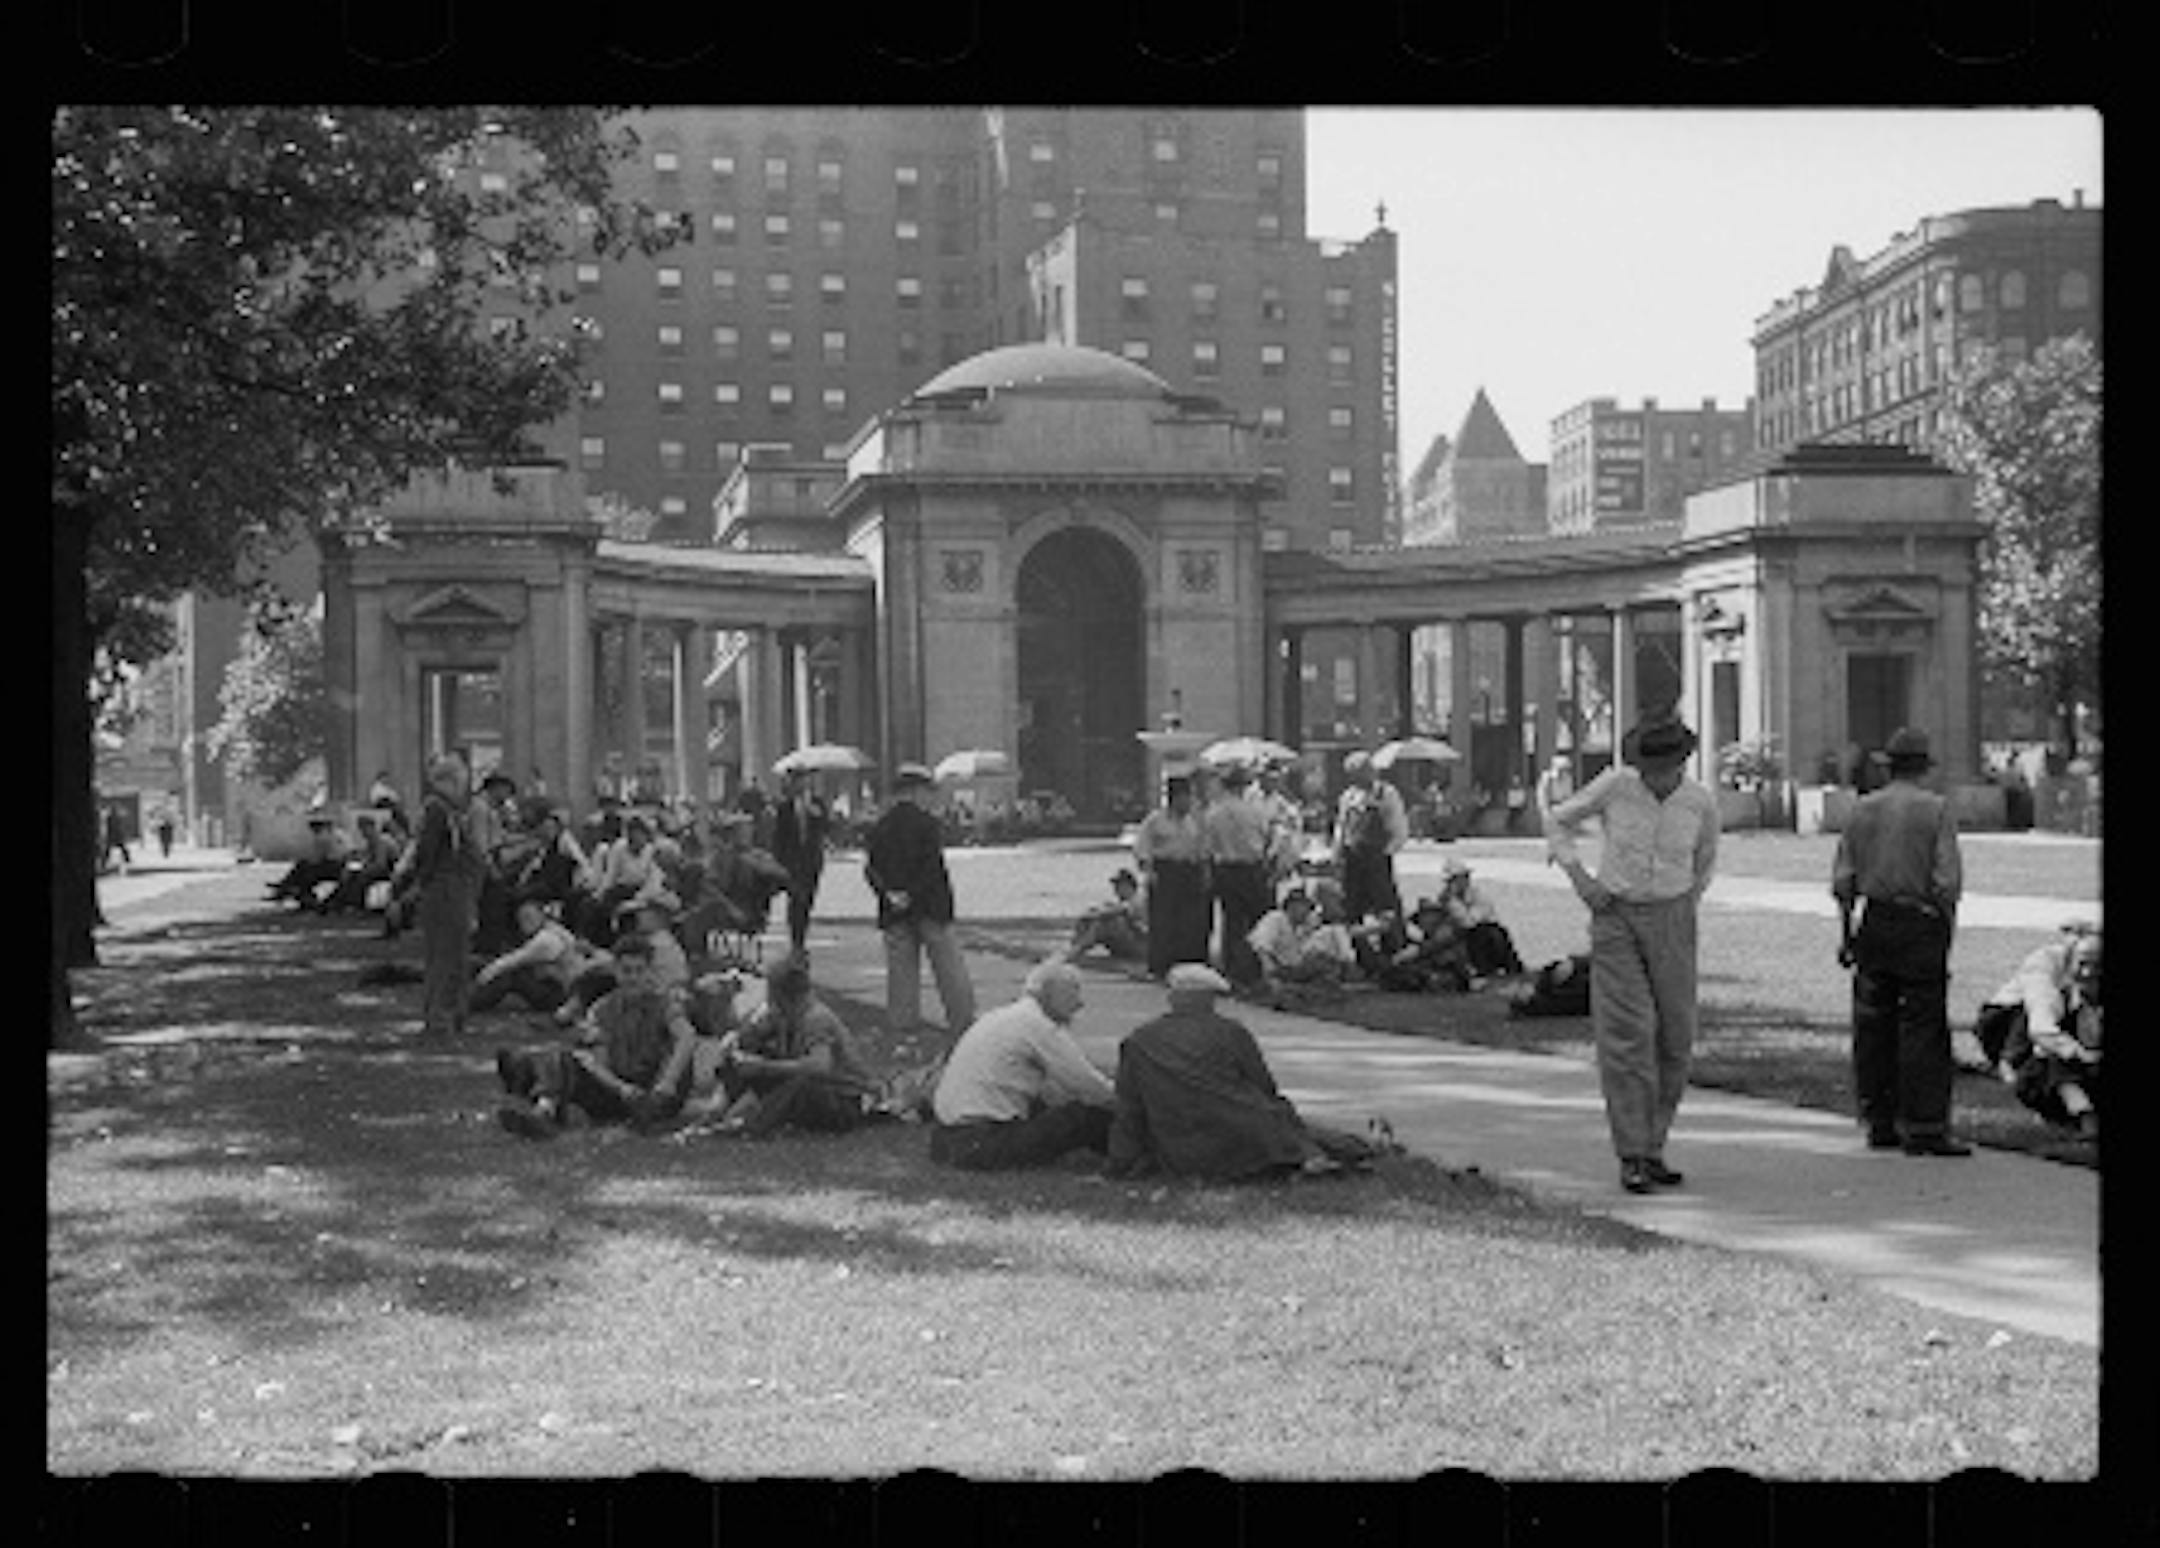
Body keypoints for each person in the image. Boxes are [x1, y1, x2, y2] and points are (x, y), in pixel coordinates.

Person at [1546, 712, 1719, 1195]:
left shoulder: (1699, 802)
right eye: (1644, 767)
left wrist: (1680, 904)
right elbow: (1558, 821)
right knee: (1629, 1033)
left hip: (1673, 915)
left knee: (1674, 1036)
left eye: (1659, 767)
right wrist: (1581, 878)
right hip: (1617, 915)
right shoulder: (1616, 787)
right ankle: (1632, 1152)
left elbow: (1704, 862)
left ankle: (1654, 1143)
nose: (1650, 776)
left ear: (1680, 763)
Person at [1831, 726, 1968, 1158]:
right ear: (1923, 768)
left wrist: (1846, 933)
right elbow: (1946, 881)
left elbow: (1843, 880)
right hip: (1919, 920)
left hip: (1875, 919)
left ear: (1888, 767)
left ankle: (1880, 1119)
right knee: (1923, 1024)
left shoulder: (1862, 809)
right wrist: (1947, 926)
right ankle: (1925, 1126)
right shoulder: (1935, 810)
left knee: (1874, 1024)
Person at [1107, 963, 1365, 1181]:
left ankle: (1328, 1152)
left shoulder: (1139, 1040)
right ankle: (1321, 1156)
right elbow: (1265, 1087)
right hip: (1246, 1145)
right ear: (1210, 999)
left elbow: (1130, 1108)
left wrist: (1122, 1162)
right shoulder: (1231, 1033)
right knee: (1277, 1112)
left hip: (1179, 1151)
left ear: (1173, 998)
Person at [493, 930, 699, 1139]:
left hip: (657, 1089)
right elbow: (598, 1061)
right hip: (622, 1090)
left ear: (649, 972)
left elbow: (686, 1037)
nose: (634, 978)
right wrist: (621, 1088)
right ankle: (544, 1112)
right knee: (561, 1057)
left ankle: (525, 1080)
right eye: (627, 971)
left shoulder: (665, 1005)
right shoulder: (602, 1010)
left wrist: (668, 1082)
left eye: (640, 971)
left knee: (679, 1056)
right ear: (616, 972)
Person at [928, 958, 1117, 1170]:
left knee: (1049, 1106)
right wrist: (1131, 1102)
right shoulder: (1038, 1026)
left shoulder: (1001, 1017)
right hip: (982, 1142)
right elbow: (1086, 1084)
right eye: (1072, 992)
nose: (1079, 1003)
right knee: (1083, 1117)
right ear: (1047, 992)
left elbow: (1054, 1092)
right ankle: (1135, 1156)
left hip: (945, 1140)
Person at [703, 954, 880, 1138]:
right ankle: (717, 1111)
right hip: (817, 1088)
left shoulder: (816, 1018)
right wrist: (742, 1037)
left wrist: (764, 1067)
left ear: (784, 997)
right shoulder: (783, 1016)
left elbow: (820, 1066)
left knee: (800, 1085)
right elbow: (750, 1039)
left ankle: (750, 1126)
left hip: (841, 1098)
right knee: (744, 1056)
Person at [863, 763, 976, 1041]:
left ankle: (904, 1031)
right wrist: (912, 894)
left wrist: (890, 893)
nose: (930, 797)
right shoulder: (926, 824)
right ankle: (963, 1026)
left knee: (901, 976)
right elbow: (930, 869)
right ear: (914, 791)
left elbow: (871, 868)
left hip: (894, 910)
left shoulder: (881, 826)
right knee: (950, 972)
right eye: (927, 791)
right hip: (930, 908)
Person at [1973, 924, 2101, 1138]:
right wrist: (2081, 1054)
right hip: (2007, 1021)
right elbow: (2041, 1026)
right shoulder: (2045, 968)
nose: (2088, 972)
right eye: (2083, 962)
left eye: (2097, 965)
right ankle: (2010, 1065)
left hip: (2064, 1043)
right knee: (2048, 1048)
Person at [409, 753, 489, 1039]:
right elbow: (427, 855)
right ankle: (440, 1019)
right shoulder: (437, 810)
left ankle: (451, 1015)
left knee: (455, 956)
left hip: (454, 889)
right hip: (446, 891)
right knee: (446, 957)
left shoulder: (448, 811)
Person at [1201, 764, 1277, 993]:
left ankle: (1233, 969)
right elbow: (1266, 838)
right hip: (1252, 868)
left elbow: (1208, 846)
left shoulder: (1214, 813)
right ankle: (1254, 968)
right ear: (1244, 787)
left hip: (1225, 869)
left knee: (1232, 920)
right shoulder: (1254, 811)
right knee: (1258, 919)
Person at [1132, 774, 1209, 979]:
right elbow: (1143, 848)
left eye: (1190, 797)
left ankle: (1186, 963)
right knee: (1163, 920)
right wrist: (1149, 871)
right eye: (1185, 797)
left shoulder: (1194, 821)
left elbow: (1202, 848)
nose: (1188, 801)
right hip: (1165, 871)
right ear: (1174, 798)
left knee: (1190, 921)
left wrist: (1204, 871)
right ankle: (1159, 966)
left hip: (1189, 871)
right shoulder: (1155, 821)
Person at [470, 899, 598, 1015]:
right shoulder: (554, 930)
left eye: (530, 917)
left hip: (561, 995)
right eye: (522, 919)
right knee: (489, 963)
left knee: (511, 975)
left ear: (542, 916)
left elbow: (514, 960)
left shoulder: (546, 939)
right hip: (559, 986)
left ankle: (472, 1003)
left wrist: (485, 975)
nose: (525, 923)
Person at [1332, 751, 1408, 930]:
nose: (1357, 778)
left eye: (1361, 772)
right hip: (1352, 859)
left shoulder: (1386, 793)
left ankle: (1395, 944)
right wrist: (1337, 853)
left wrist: (1386, 852)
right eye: (1353, 774)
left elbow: (1399, 827)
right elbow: (1341, 827)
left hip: (1376, 858)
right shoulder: (1348, 797)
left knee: (1386, 905)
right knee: (1351, 905)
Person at [1245, 888, 1359, 1005]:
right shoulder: (1276, 918)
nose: (1306, 911)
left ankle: (1310, 989)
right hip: (1275, 967)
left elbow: (1337, 925)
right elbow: (1261, 946)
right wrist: (1271, 975)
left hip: (1296, 968)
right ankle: (1292, 990)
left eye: (1308, 907)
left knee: (1330, 941)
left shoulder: (1303, 924)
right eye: (1303, 906)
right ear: (1291, 906)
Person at [770, 766, 833, 957]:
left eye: (804, 780)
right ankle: (796, 941)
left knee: (807, 901)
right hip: (792, 862)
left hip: (811, 861)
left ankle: (801, 937)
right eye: (797, 780)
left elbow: (827, 828)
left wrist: (817, 816)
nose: (801, 784)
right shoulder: (784, 807)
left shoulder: (817, 803)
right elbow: (779, 837)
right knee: (796, 899)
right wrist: (779, 861)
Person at [1436, 858, 1526, 981]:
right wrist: (1454, 904)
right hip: (1463, 937)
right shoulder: (1447, 900)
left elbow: (1473, 919)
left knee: (1493, 934)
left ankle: (1508, 967)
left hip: (1485, 931)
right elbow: (1465, 922)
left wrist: (1461, 910)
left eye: (1462, 878)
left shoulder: (1478, 894)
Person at [1372, 897, 1475, 994]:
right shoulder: (1418, 927)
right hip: (1426, 964)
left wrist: (1414, 951)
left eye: (1430, 914)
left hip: (1446, 967)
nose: (1426, 919)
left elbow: (1435, 944)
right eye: (1425, 915)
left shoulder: (1447, 928)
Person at [265, 814, 348, 908]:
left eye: (316, 826)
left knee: (304, 868)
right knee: (303, 867)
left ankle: (288, 887)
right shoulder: (340, 834)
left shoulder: (323, 837)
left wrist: (308, 862)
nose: (313, 829)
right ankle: (287, 886)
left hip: (333, 867)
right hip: (339, 865)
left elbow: (317, 858)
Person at [1068, 869, 1148, 964]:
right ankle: (1075, 948)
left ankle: (1074, 953)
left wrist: (1093, 915)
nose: (1115, 890)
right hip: (1136, 942)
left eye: (1118, 886)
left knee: (1106, 923)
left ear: (1127, 885)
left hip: (1143, 945)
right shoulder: (1126, 902)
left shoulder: (1138, 899)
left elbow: (1120, 911)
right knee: (1099, 913)